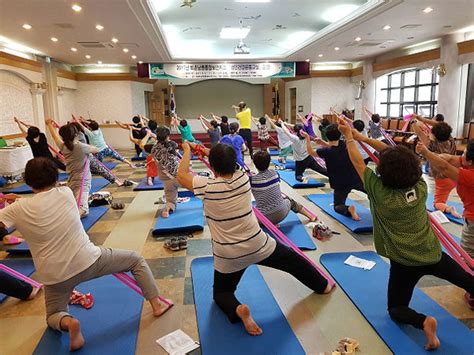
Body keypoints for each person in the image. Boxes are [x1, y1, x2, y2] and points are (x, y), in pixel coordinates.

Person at [0, 157, 172, 351]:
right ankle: (157, 304)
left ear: (28, 182)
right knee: (136, 260)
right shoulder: (65, 193)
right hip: (89, 260)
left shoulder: (16, 210)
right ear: (56, 176)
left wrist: (10, 206)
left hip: (55, 277)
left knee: (53, 315)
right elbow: (43, 203)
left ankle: (69, 323)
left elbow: (8, 226)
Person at [338, 120, 474, 351]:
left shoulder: (378, 191)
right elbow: (393, 154)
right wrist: (357, 137)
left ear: (382, 172)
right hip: (432, 255)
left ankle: (423, 322)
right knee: (469, 281)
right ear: (413, 168)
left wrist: (351, 138)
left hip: (404, 264)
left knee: (396, 309)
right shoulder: (421, 187)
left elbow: (358, 162)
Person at [176, 143, 333, 336]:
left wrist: (187, 150)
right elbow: (230, 164)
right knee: (294, 262)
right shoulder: (243, 178)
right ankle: (322, 286)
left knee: (221, 294)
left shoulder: (206, 186)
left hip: (228, 255)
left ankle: (238, 309)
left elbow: (181, 175)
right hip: (258, 244)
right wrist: (208, 152)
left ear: (213, 167)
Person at [417, 141, 474, 261]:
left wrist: (426, 152)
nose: (461, 155)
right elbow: (448, 158)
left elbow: (445, 167)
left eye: (464, 153)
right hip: (451, 184)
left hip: (472, 219)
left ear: (470, 162)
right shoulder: (466, 162)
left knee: (468, 258)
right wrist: (430, 153)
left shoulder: (470, 175)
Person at [305, 124, 364, 221]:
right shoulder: (346, 145)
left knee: (338, 206)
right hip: (355, 178)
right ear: (339, 134)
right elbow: (336, 147)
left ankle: (348, 209)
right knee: (370, 192)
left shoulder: (326, 151)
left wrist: (307, 138)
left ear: (326, 136)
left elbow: (311, 152)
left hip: (340, 183)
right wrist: (323, 142)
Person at [46, 121, 98, 217]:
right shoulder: (81, 147)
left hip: (71, 179)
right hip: (83, 180)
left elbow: (54, 137)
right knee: (83, 209)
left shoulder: (63, 146)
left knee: (75, 203)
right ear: (76, 134)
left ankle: (70, 214)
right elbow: (96, 149)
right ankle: (70, 218)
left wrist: (49, 125)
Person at [250, 150, 316, 224]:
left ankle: (270, 224)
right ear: (269, 163)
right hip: (281, 213)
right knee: (290, 201)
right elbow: (266, 180)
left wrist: (251, 176)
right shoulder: (275, 173)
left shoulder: (251, 180)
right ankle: (310, 216)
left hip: (262, 220)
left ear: (255, 164)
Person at [412, 119, 460, 217]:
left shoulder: (431, 144)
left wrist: (413, 122)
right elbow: (440, 126)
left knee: (437, 203)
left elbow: (419, 132)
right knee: (445, 194)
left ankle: (448, 208)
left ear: (434, 136)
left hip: (442, 178)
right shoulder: (450, 139)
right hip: (454, 175)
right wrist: (420, 119)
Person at [71, 122, 133, 187]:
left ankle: (91, 174)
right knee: (117, 157)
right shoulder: (99, 130)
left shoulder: (90, 134)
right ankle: (129, 163)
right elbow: (87, 126)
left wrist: (78, 121)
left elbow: (83, 127)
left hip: (98, 152)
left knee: (98, 167)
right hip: (105, 148)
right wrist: (80, 120)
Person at [151, 126, 181, 218]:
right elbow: (174, 146)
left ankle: (167, 209)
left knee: (170, 201)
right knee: (196, 188)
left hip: (166, 179)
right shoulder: (172, 145)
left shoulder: (154, 149)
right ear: (167, 136)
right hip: (179, 176)